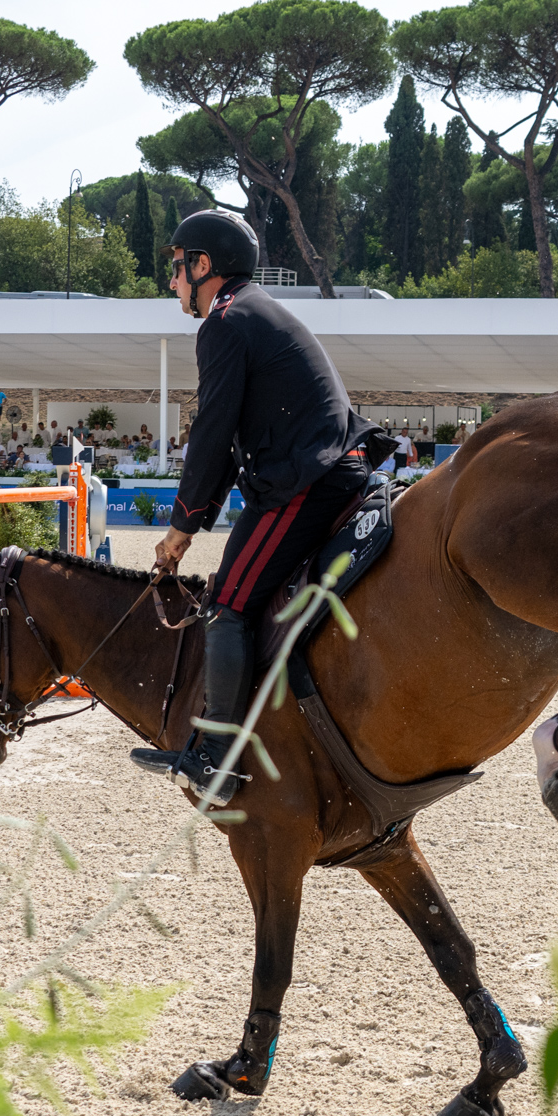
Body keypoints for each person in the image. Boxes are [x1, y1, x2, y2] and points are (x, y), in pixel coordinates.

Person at [129, 210, 384, 805]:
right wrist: (191, 524)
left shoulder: (225, 322)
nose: (172, 282)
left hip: (305, 482)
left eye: (177, 268)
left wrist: (180, 526)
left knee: (226, 605)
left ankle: (217, 759)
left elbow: (213, 433)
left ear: (203, 266)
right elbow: (228, 436)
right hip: (323, 467)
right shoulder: (251, 309)